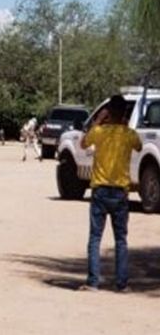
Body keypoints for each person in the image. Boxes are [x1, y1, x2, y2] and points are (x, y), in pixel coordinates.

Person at [79, 95, 141, 292]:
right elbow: (139, 146)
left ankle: (93, 281)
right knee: (121, 239)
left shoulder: (99, 132)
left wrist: (98, 121)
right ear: (124, 113)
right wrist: (124, 124)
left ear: (108, 112)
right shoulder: (129, 134)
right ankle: (121, 283)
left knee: (95, 237)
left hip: (100, 190)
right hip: (120, 191)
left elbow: (83, 144)